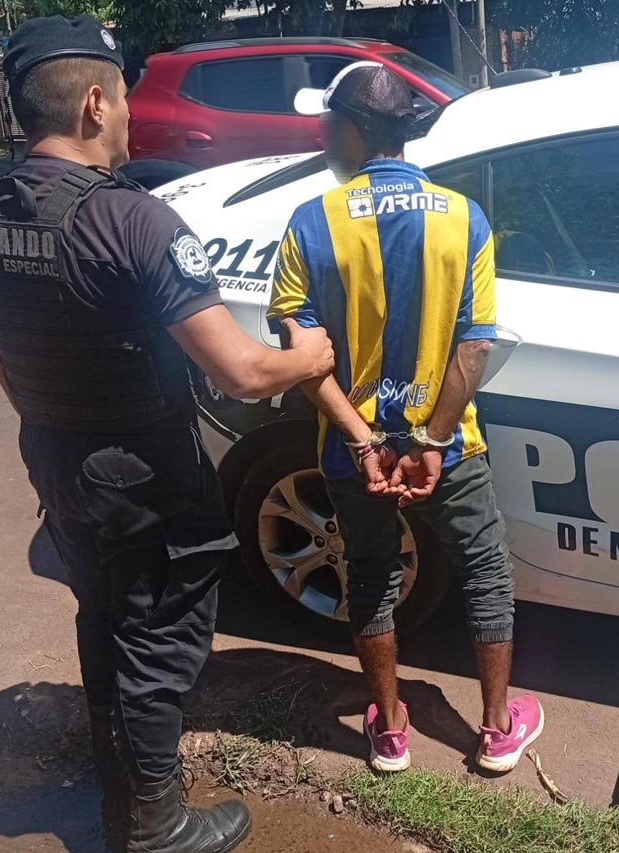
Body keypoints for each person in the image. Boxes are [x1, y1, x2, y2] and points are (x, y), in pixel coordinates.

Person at [0, 15, 334, 853]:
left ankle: (122, 785)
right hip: (142, 474)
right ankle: (154, 823)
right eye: (127, 95)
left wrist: (52, 413)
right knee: (158, 638)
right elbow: (240, 371)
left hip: (56, 456)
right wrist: (309, 357)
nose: (133, 113)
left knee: (102, 614)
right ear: (94, 103)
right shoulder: (133, 222)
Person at [268, 62, 544, 775]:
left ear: (356, 131)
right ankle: (496, 729)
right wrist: (430, 440)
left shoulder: (311, 221)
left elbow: (302, 356)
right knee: (484, 568)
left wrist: (365, 442)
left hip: (352, 449)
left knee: (370, 573)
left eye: (330, 125)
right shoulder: (463, 217)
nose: (324, 138)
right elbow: (475, 343)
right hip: (446, 447)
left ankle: (390, 730)